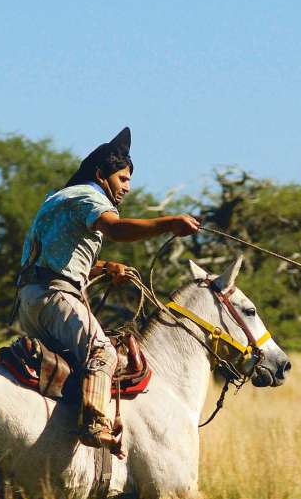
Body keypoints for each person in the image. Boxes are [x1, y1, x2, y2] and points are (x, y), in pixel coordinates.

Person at [15, 127, 200, 448]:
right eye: (123, 179)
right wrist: (169, 223)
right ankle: (94, 423)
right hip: (56, 297)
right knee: (102, 352)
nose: (127, 188)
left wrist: (103, 267)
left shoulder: (58, 198)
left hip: (30, 299)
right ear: (101, 175)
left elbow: (54, 257)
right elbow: (115, 229)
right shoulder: (89, 197)